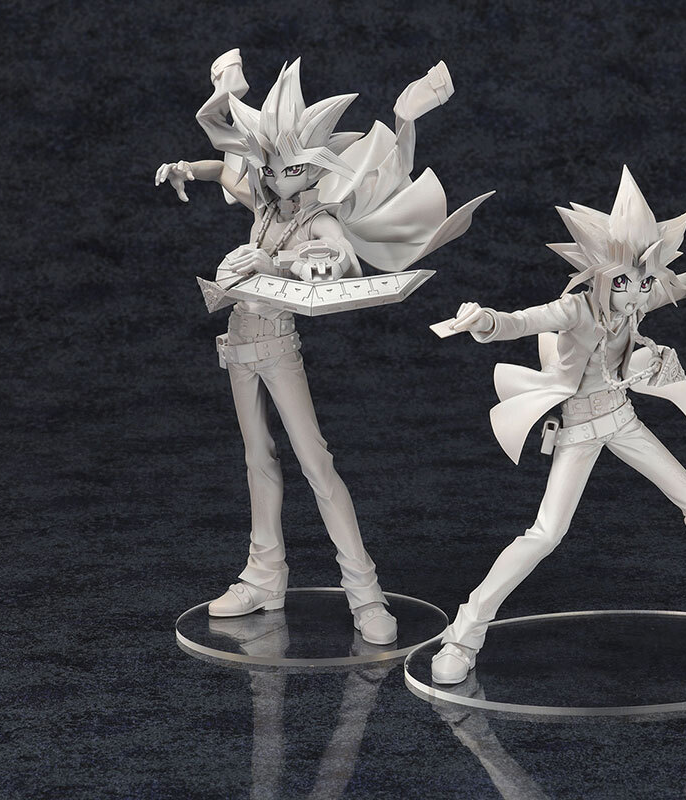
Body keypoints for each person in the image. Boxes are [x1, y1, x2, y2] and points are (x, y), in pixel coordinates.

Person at [156, 50, 490, 644]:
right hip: (239, 344)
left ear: (313, 168)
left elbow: (340, 265)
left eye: (285, 167)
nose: (271, 175)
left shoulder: (318, 219)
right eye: (267, 164)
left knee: (316, 464)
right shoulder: (264, 203)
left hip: (277, 346)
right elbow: (225, 169)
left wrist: (277, 263)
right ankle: (263, 577)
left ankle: (364, 593)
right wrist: (187, 167)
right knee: (257, 459)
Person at [431, 166, 686, 683]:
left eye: (644, 281)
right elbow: (520, 321)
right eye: (624, 281)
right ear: (598, 273)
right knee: (545, 534)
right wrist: (484, 320)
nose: (637, 293)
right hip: (580, 429)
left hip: (622, 419)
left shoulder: (642, 296)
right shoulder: (575, 309)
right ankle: (464, 634)